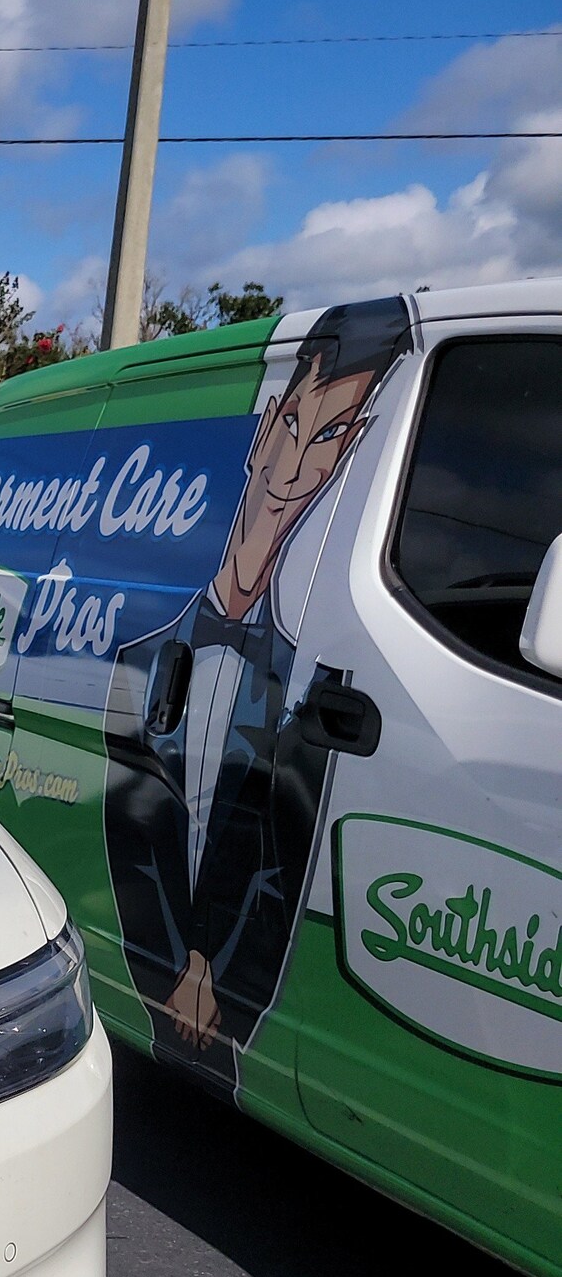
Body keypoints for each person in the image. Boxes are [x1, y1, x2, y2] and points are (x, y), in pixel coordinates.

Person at [104, 297, 411, 1091]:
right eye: (295, 425)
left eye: (334, 436)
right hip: (153, 987)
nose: (296, 463)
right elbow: (133, 835)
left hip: (231, 1027)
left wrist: (221, 992)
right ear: (267, 420)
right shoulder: (140, 654)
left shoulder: (308, 684)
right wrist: (168, 975)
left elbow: (283, 864)